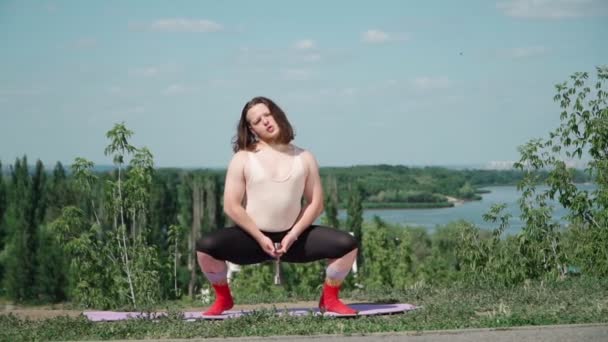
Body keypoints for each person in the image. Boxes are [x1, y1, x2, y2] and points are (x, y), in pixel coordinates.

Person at [196, 96, 358, 316]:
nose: (265, 121)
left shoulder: (305, 157)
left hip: (294, 238)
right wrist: (261, 238)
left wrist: (292, 235)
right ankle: (223, 299)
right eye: (256, 121)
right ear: (251, 129)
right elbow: (232, 206)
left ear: (277, 115)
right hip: (252, 238)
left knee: (347, 245)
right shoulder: (242, 158)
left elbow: (316, 204)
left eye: (267, 115)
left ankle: (329, 299)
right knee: (206, 247)